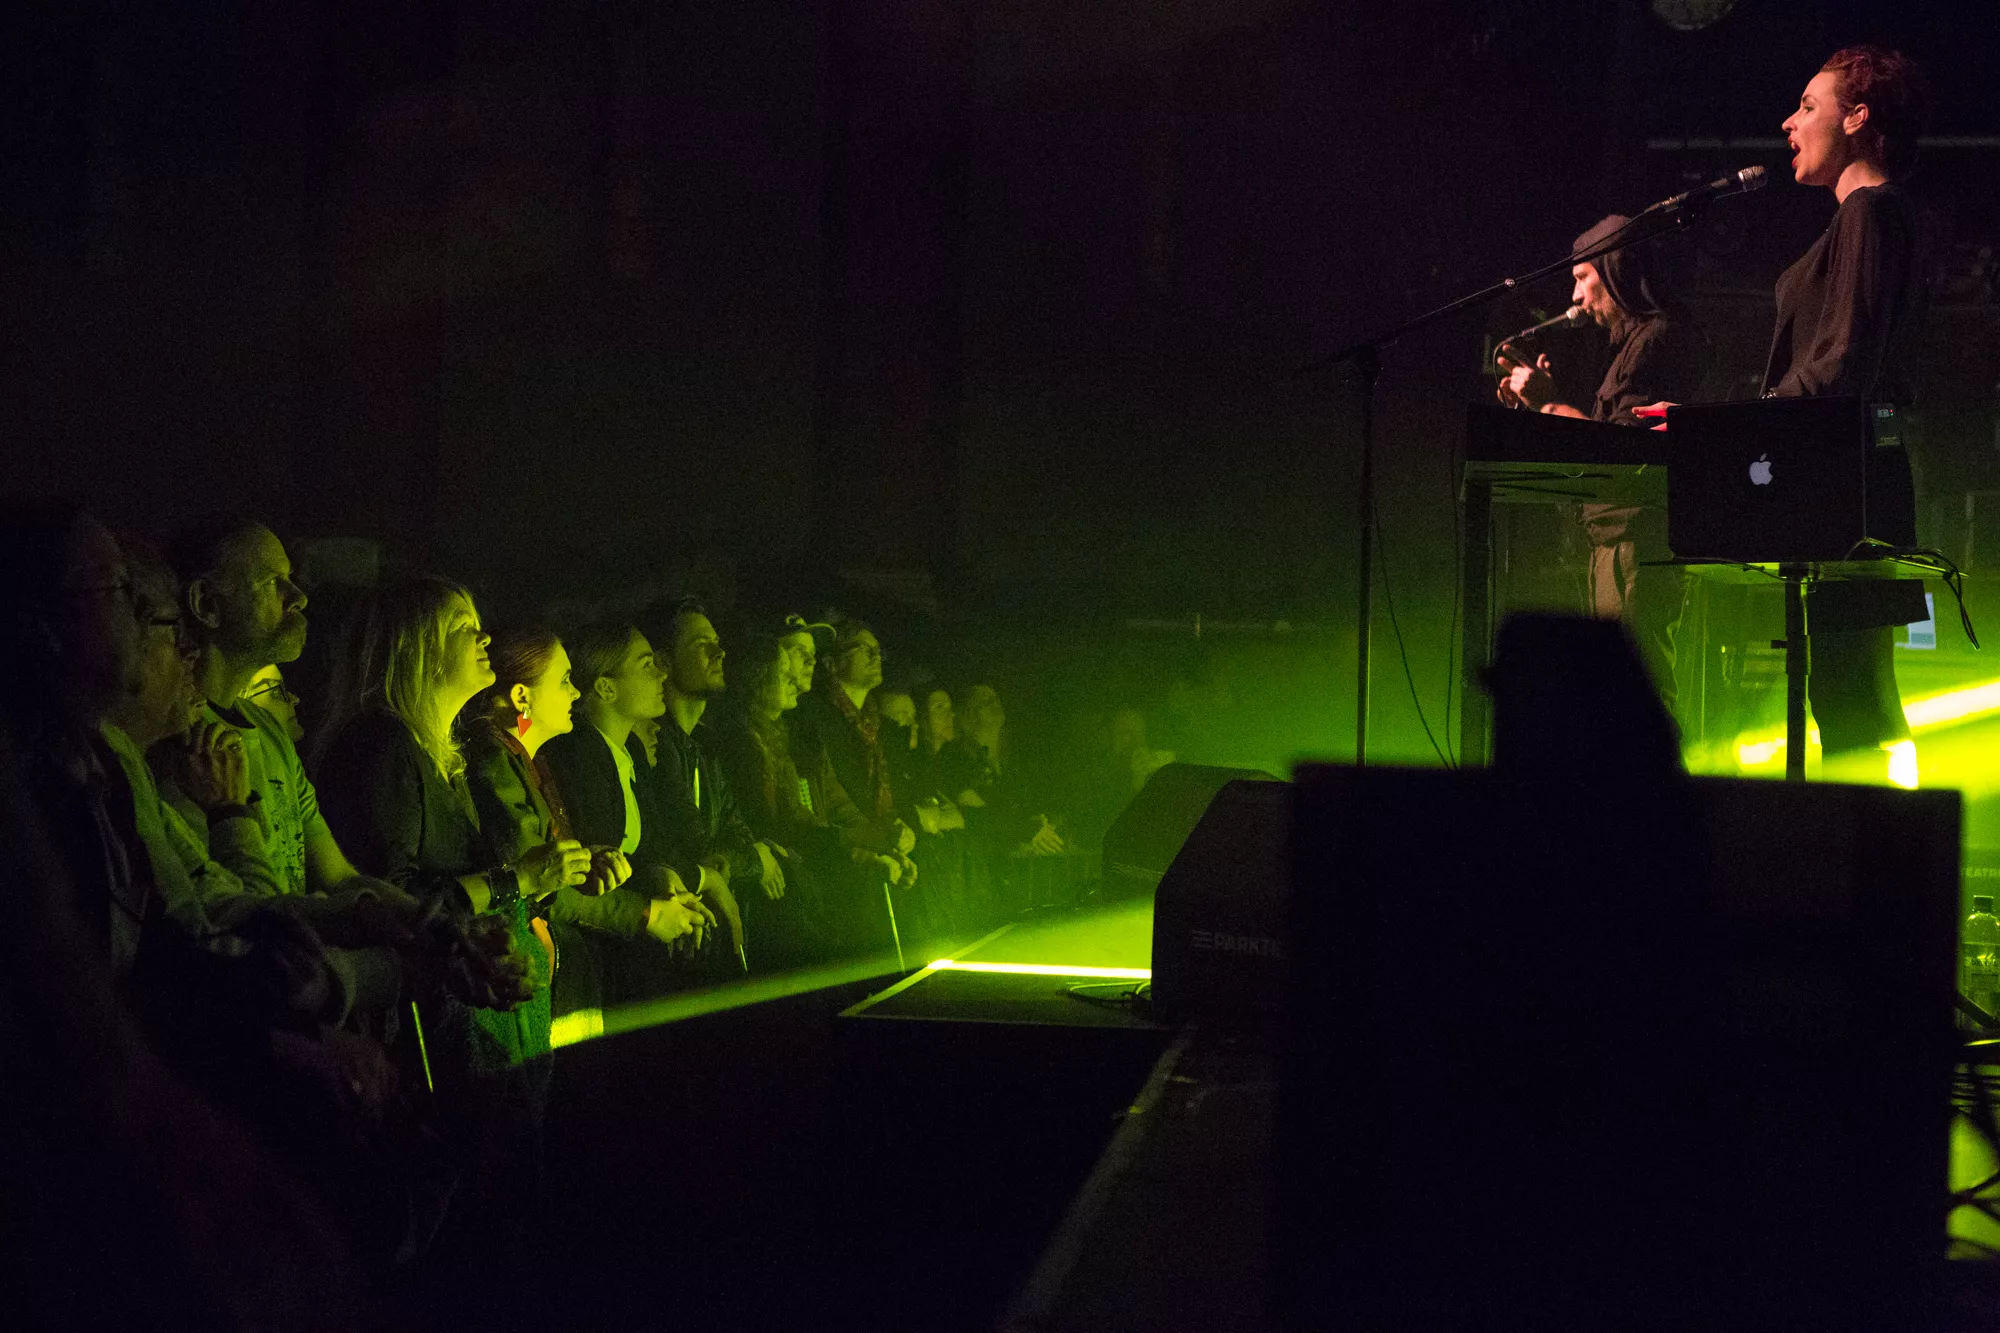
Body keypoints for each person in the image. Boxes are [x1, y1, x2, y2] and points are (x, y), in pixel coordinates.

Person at [1647, 47, 1932, 780]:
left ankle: (1876, 845)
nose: (1788, 121)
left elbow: (1840, 361)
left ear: (1858, 118)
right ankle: (1868, 838)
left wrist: (1732, 428)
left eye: (1808, 105)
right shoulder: (1864, 218)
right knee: (1846, 692)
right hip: (1847, 478)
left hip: (1848, 484)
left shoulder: (1870, 211)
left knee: (1850, 696)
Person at [313, 576, 591, 1284]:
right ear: (416, 648)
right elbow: (386, 899)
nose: (485, 636)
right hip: (427, 1043)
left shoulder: (436, 750)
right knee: (462, 1243)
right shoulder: (384, 748)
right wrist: (514, 880)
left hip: (467, 1031)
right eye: (464, 626)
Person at [1495, 217, 1707, 708]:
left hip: (1636, 542)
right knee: (1615, 696)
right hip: (1615, 541)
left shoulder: (1657, 339)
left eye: (1582, 277)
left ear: (1615, 272)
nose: (1574, 296)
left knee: (1634, 697)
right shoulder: (1637, 344)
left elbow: (1621, 449)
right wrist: (1542, 407)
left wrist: (1549, 403)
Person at [464, 627, 698, 1011]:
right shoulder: (496, 766)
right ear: (522, 697)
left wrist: (588, 860)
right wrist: (646, 913)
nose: (575, 692)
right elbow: (538, 880)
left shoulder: (525, 762)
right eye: (564, 680)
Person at [538, 620, 714, 998]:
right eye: (646, 665)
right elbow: (601, 861)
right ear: (606, 687)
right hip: (598, 949)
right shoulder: (578, 753)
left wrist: (665, 876)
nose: (662, 674)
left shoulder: (629, 750)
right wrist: (658, 897)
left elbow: (653, 841)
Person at [634, 596, 770, 972]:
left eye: (717, 641)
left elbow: (738, 832)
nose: (719, 652)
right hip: (670, 955)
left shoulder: (704, 748)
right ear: (664, 661)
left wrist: (730, 861)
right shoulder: (651, 745)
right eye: (701, 644)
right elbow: (689, 844)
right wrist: (745, 861)